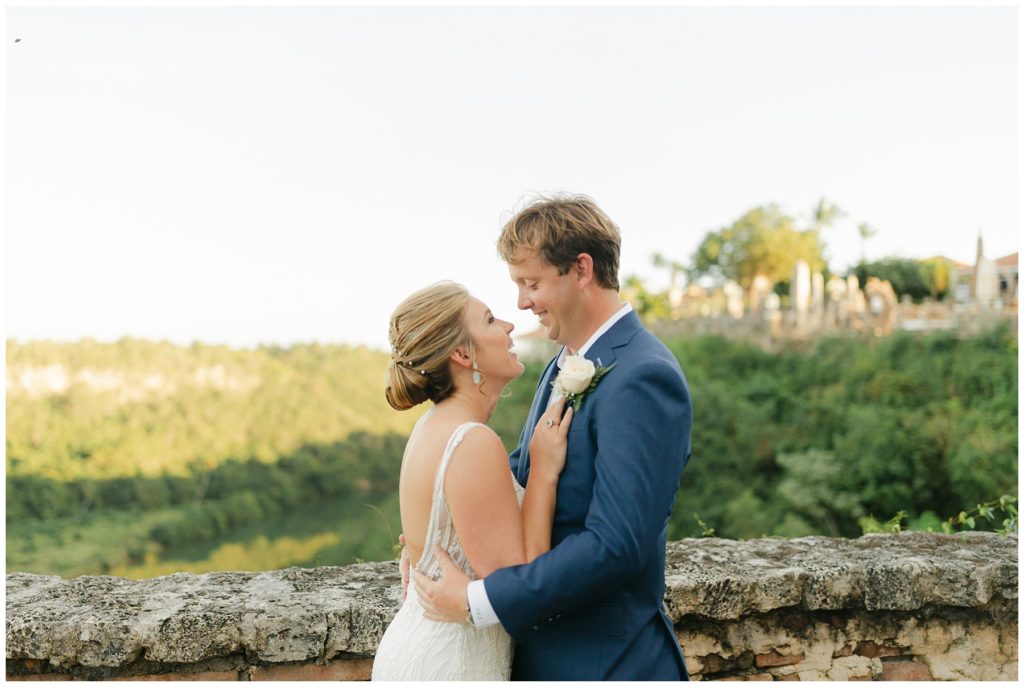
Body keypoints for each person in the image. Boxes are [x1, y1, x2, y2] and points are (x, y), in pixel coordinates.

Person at [413, 195, 693, 680]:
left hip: (606, 662)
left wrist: (478, 600)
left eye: (532, 282)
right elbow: (514, 483)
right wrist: (435, 537)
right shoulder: (559, 365)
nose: (522, 302)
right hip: (541, 659)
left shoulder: (644, 377)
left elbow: (616, 545)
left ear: (581, 270)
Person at [371, 281, 574, 681]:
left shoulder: (433, 425)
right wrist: (544, 472)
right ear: (462, 354)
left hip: (424, 646)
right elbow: (522, 581)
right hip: (451, 663)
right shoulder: (471, 441)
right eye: (489, 320)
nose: (509, 326)